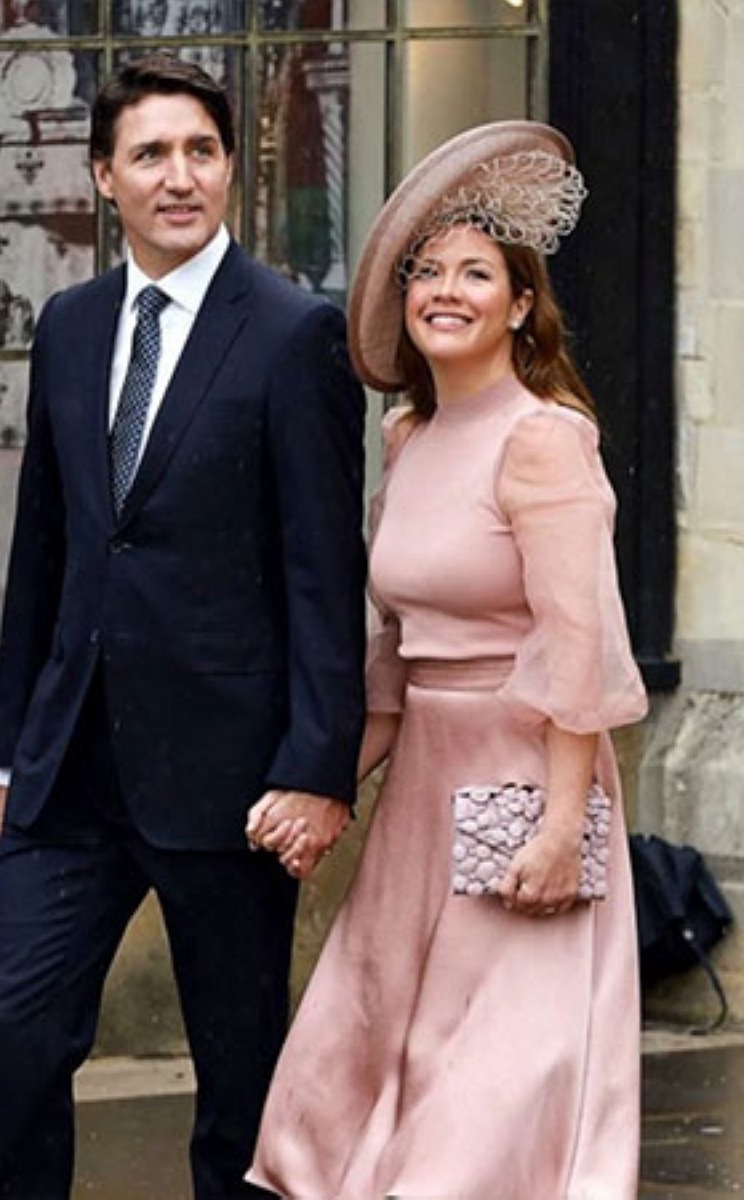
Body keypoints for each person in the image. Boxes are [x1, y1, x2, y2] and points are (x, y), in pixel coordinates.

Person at [0, 53, 368, 1199]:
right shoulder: (69, 327)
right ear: (104, 177)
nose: (178, 176)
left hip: (230, 777)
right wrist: (13, 748)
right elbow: (42, 547)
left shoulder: (296, 335)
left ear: (231, 167)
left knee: (238, 1082)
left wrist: (315, 765)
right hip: (70, 769)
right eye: (149, 154)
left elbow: (322, 575)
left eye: (201, 151)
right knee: (17, 1032)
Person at [246, 121, 650, 1199]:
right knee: (376, 1042)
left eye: (475, 274)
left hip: (522, 784)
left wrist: (563, 828)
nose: (443, 291)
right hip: (424, 788)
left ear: (521, 306)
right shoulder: (407, 442)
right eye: (426, 273)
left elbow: (579, 650)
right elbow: (396, 654)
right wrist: (328, 788)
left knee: (489, 1079)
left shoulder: (545, 440)